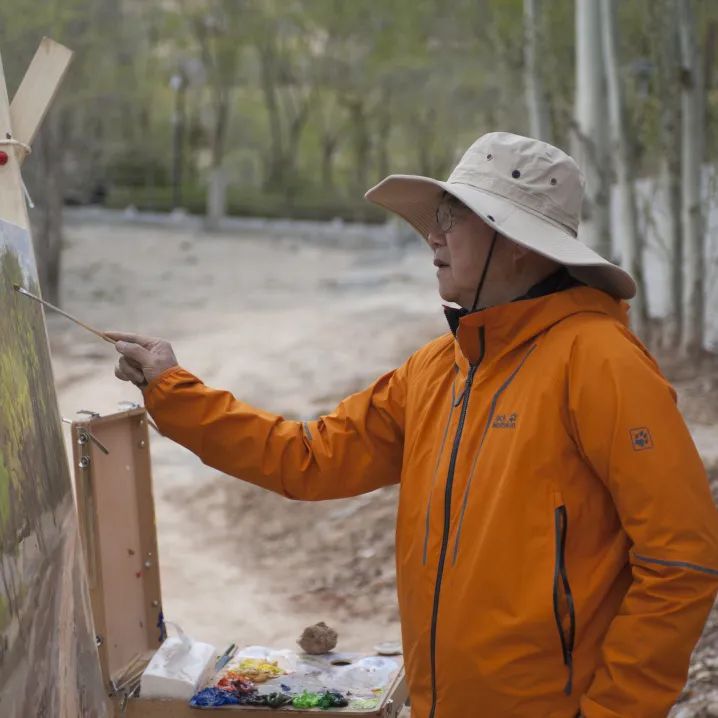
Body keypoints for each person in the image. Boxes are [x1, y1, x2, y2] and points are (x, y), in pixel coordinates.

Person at [109, 132, 718, 718]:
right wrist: (173, 390)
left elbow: (682, 561)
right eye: (438, 216)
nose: (433, 235)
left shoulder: (601, 361)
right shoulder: (436, 369)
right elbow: (310, 457)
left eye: (454, 218)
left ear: (518, 244)